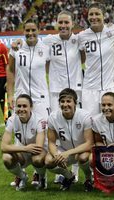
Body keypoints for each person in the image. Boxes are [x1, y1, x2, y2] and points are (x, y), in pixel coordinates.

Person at [6, 18, 50, 186]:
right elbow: (10, 70)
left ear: (39, 30)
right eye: (27, 30)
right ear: (23, 31)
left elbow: (50, 69)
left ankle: (40, 174)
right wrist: (10, 94)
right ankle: (21, 172)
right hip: (21, 98)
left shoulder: (46, 49)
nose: (30, 33)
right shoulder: (16, 48)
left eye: (33, 30)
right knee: (20, 136)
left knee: (42, 136)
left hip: (41, 99)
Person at [42, 10, 82, 183]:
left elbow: (85, 58)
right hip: (56, 92)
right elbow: (43, 62)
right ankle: (61, 168)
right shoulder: (48, 41)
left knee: (77, 129)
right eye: (61, 23)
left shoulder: (79, 40)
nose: (64, 26)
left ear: (72, 23)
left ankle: (76, 168)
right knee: (58, 129)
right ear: (56, 23)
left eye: (67, 22)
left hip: (77, 90)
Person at [78, 2, 114, 116]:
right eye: (91, 14)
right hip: (90, 87)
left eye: (97, 14)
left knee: (112, 119)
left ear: (104, 16)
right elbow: (81, 58)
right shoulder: (82, 36)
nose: (94, 17)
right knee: (90, 122)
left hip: (110, 85)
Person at [45, 88, 94, 192]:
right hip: (64, 149)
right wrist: (56, 155)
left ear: (75, 103)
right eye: (62, 101)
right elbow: (51, 142)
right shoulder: (53, 117)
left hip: (81, 150)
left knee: (83, 157)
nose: (65, 104)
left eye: (68, 101)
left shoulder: (84, 116)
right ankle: (68, 176)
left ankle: (88, 178)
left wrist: (68, 153)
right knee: (49, 161)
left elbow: (89, 143)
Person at [0, 94, 47, 191]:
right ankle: (22, 177)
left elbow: (38, 147)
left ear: (31, 107)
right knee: (6, 157)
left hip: (38, 153)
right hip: (23, 152)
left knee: (37, 159)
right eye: (19, 106)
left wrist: (27, 149)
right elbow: (4, 146)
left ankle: (42, 177)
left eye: (25, 106)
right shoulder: (12, 119)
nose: (21, 109)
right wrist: (25, 148)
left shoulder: (39, 120)